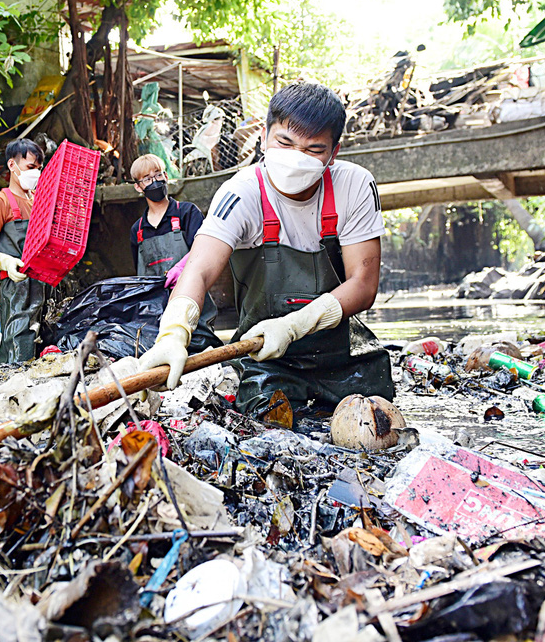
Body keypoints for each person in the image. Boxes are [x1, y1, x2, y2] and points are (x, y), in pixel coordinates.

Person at [138, 82, 394, 415]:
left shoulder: (354, 185)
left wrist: (292, 326)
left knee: (376, 420)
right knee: (268, 419)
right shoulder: (241, 194)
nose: (295, 159)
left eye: (314, 149)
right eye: (284, 142)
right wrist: (173, 334)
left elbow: (364, 284)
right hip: (266, 358)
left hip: (342, 356)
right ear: (264, 135)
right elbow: (198, 269)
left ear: (334, 152)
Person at [0, 138, 45, 365]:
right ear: (12, 166)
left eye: (38, 168)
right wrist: (5, 261)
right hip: (14, 285)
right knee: (16, 340)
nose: (35, 173)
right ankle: (8, 383)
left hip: (40, 283)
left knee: (40, 340)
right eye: (30, 167)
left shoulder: (39, 201)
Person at [129, 154, 203, 286]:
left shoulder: (187, 213)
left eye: (158, 175)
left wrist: (181, 269)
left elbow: (203, 252)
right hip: (154, 303)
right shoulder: (138, 230)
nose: (155, 182)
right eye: (147, 179)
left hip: (190, 293)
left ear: (166, 177)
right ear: (138, 187)